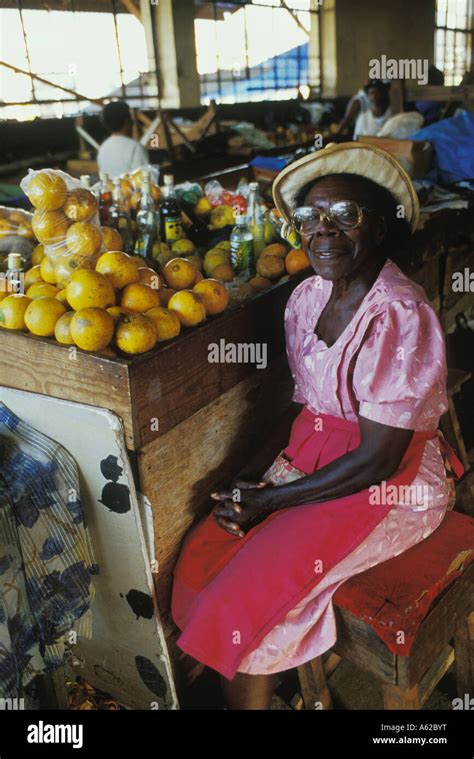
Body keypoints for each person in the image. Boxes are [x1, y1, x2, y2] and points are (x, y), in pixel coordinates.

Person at [171, 142, 463, 710]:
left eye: (345, 216)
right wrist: (250, 479)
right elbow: (304, 403)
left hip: (387, 481)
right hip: (315, 453)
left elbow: (380, 458)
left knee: (249, 600)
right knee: (205, 550)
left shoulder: (400, 312)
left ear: (378, 228)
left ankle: (250, 689)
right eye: (309, 218)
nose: (323, 230)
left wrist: (272, 502)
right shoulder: (305, 297)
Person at [97, 101, 149, 177]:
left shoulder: (103, 148)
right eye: (131, 118)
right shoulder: (135, 147)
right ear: (127, 121)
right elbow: (146, 180)